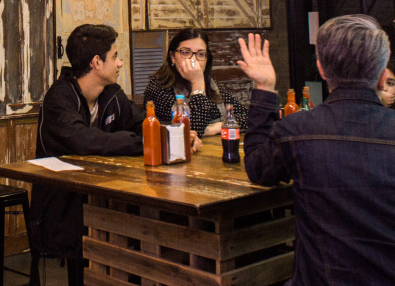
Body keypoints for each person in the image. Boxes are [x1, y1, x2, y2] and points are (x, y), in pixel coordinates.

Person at [29, 24, 202, 286]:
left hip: (103, 196)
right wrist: (145, 142)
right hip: (62, 208)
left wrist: (173, 135)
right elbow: (85, 141)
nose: (120, 63)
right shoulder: (60, 98)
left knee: (146, 224)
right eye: (115, 56)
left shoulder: (111, 93)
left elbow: (141, 122)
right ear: (97, 63)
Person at [239, 15, 395, 286]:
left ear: (321, 70)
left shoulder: (296, 130)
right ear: (383, 78)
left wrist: (264, 88)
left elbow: (257, 170)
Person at [144, 28, 248, 137]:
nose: (193, 60)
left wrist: (219, 126)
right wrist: (197, 83)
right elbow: (193, 130)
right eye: (185, 53)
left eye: (201, 54)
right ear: (172, 57)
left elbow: (247, 116)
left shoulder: (211, 84)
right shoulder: (158, 86)